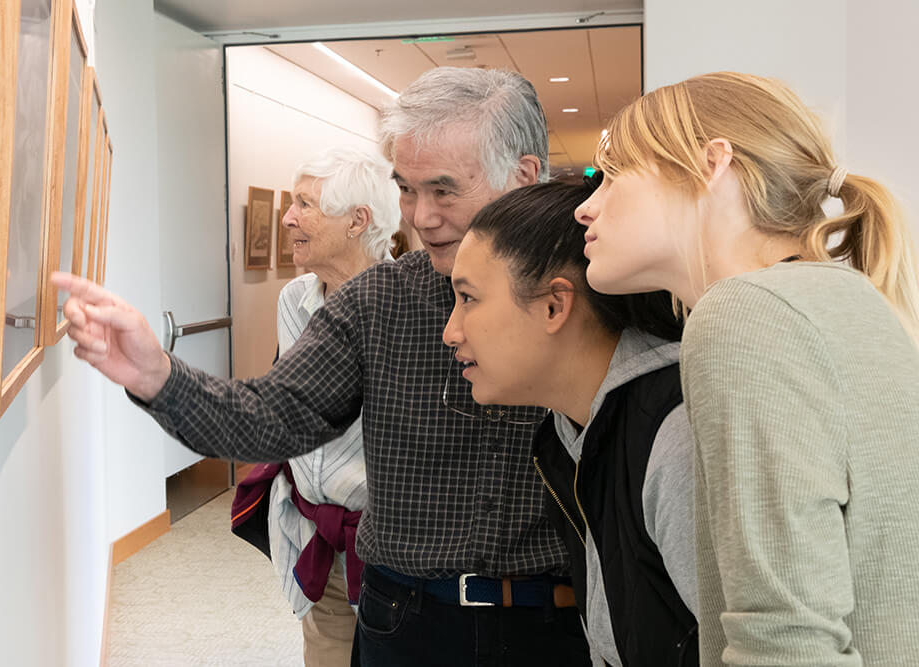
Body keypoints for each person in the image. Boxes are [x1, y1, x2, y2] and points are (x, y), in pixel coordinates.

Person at [54, 66, 591, 666]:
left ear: (523, 175)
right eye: (406, 190)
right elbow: (272, 418)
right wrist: (157, 375)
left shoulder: (600, 299)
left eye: (443, 190)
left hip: (560, 628)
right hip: (404, 622)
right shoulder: (376, 301)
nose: (420, 216)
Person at [574, 71, 919, 666]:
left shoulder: (746, 313)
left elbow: (784, 639)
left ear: (712, 164)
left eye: (613, 175)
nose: (586, 206)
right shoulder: (851, 299)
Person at [443, 180, 698, 666]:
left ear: (554, 305)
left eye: (469, 299)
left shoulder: (675, 437)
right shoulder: (572, 433)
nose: (450, 331)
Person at [267, 146, 400, 667]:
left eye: (304, 203)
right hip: (317, 540)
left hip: (391, 551)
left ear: (357, 222)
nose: (287, 217)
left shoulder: (414, 304)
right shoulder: (293, 300)